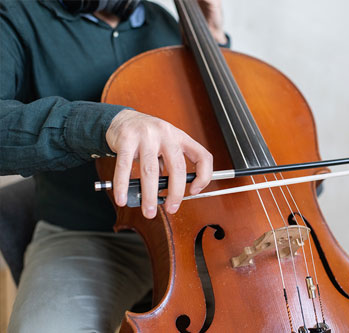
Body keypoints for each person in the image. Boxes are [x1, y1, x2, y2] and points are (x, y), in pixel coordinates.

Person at [0, 0, 228, 331]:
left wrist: (214, 42)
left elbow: (216, 125)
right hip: (89, 235)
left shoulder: (168, 21)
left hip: (200, 232)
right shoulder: (14, 15)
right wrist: (103, 125)